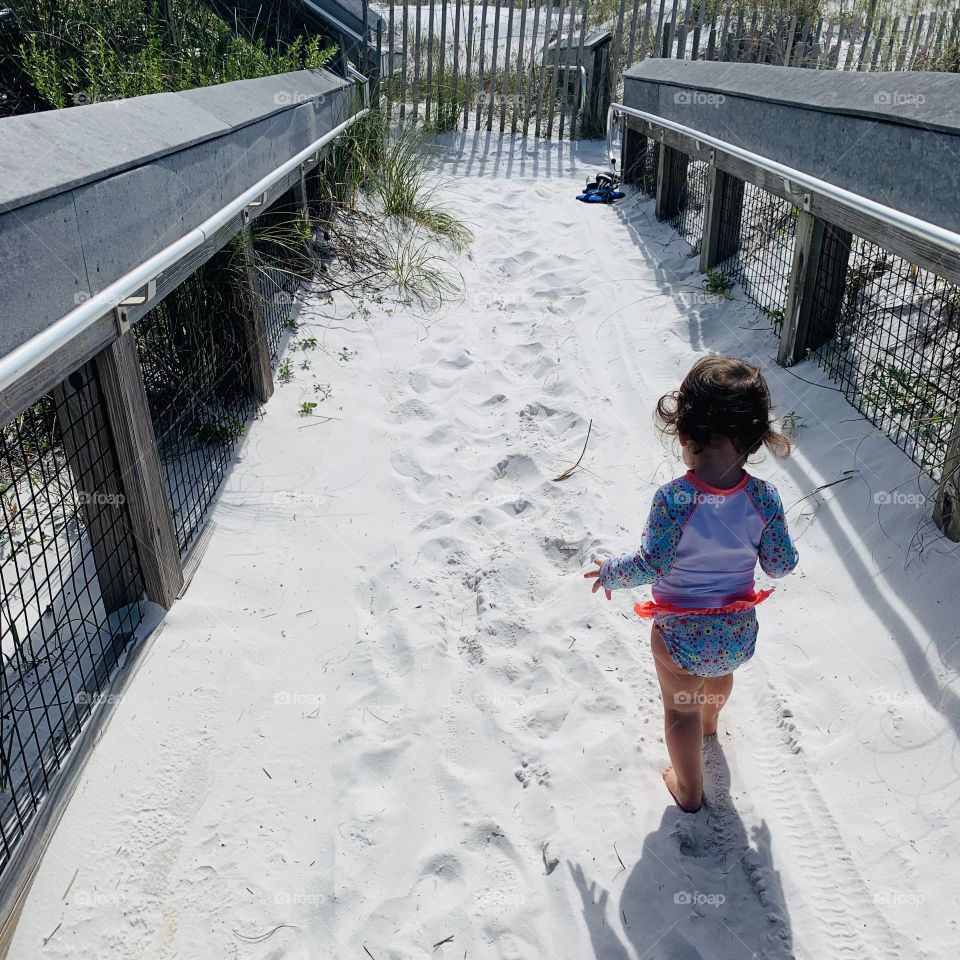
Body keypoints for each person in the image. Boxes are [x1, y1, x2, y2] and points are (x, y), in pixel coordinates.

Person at [584, 356, 799, 813]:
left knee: (678, 706)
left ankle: (689, 790)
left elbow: (651, 562)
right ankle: (709, 725)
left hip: (681, 635)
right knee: (718, 676)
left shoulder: (675, 498)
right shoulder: (764, 497)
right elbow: (780, 565)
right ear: (756, 438)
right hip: (737, 633)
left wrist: (609, 573)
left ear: (684, 435)